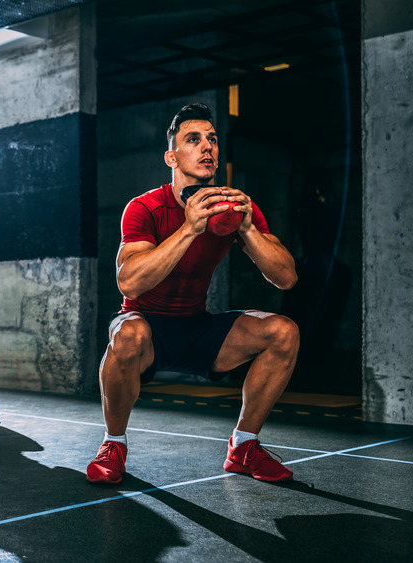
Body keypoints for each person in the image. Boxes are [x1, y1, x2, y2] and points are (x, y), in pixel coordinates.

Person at [87, 103, 299, 485]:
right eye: (194, 139)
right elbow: (129, 283)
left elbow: (286, 278)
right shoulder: (145, 207)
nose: (207, 148)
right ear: (172, 156)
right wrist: (187, 229)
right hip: (145, 326)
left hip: (196, 327)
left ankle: (244, 446)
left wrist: (248, 230)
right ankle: (113, 444)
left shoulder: (231, 208)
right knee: (127, 334)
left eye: (212, 140)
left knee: (283, 332)